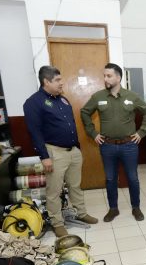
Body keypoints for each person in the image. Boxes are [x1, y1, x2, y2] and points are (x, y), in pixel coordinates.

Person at [23, 66, 98, 237]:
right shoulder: (33, 102)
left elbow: (70, 124)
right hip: (54, 153)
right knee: (54, 191)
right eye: (57, 80)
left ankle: (81, 213)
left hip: (73, 151)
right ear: (46, 81)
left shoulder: (63, 100)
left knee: (75, 186)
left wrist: (77, 148)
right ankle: (57, 223)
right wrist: (44, 157)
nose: (61, 83)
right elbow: (34, 132)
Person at [81, 63, 146, 222]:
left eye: (109, 76)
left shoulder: (131, 96)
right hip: (107, 146)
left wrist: (141, 132)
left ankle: (136, 207)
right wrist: (93, 133)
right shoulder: (98, 97)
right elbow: (85, 112)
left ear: (118, 78)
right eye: (104, 76)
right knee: (110, 179)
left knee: (132, 178)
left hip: (129, 145)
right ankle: (113, 209)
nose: (105, 79)